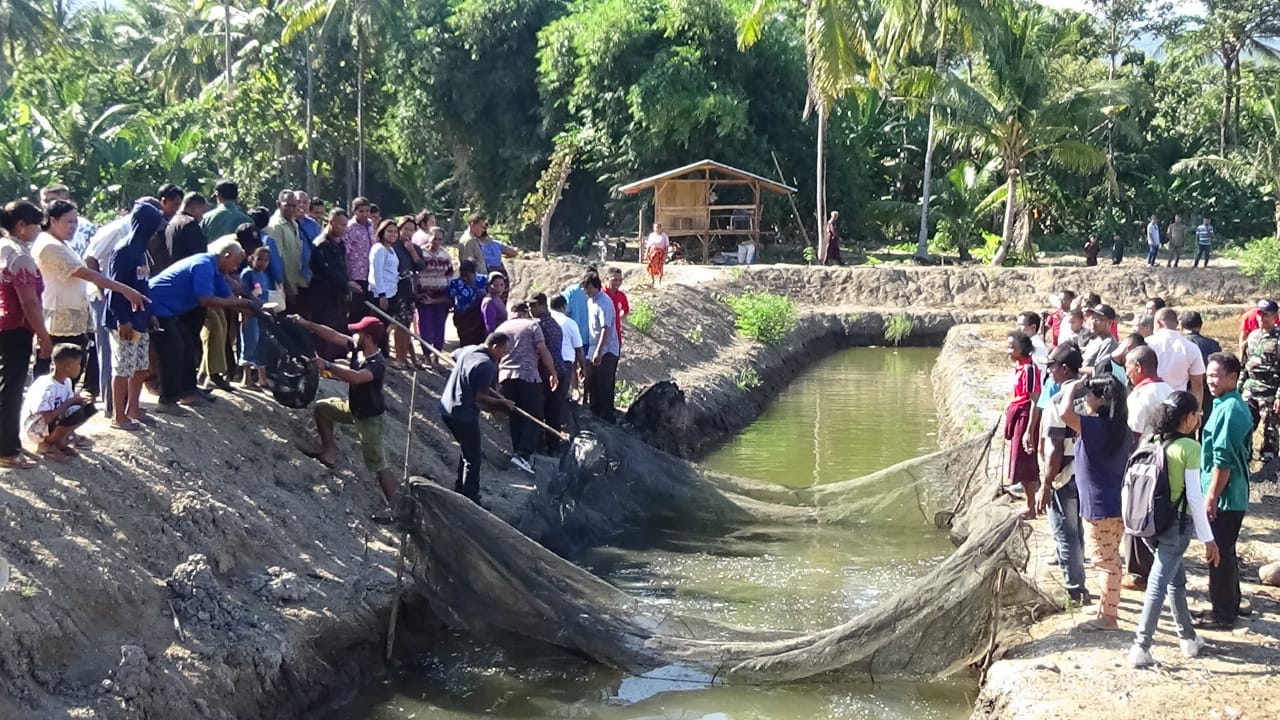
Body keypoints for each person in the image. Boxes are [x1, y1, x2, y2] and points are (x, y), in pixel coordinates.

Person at [1128, 391, 1218, 668]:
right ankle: (1141, 646)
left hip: (1148, 524)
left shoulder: (1149, 440)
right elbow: (1194, 497)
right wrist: (1208, 539)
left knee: (1175, 582)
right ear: (1188, 417)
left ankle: (1188, 638)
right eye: (1197, 414)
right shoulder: (1190, 448)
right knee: (1158, 585)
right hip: (1176, 527)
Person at [30, 199, 146, 383]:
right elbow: (88, 274)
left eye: (76, 221)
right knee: (57, 373)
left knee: (69, 372)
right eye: (69, 221)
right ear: (53, 220)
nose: (74, 226)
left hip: (70, 314)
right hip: (59, 318)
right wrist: (125, 290)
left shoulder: (59, 242)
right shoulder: (49, 245)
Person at [295, 315, 398, 509]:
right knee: (323, 409)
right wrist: (305, 323)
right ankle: (329, 453)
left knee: (379, 466)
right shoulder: (358, 349)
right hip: (353, 408)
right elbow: (333, 335)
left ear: (368, 337)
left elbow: (357, 377)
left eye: (359, 332)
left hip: (369, 419)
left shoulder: (377, 363)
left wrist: (328, 365)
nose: (354, 335)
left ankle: (396, 507)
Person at [1058, 372, 1132, 630]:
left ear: (1102, 400)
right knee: (1111, 557)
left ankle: (1108, 617)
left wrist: (1072, 387)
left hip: (1099, 507)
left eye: (1089, 395)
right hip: (1116, 503)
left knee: (1105, 562)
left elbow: (1064, 413)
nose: (1085, 399)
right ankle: (1106, 609)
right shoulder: (1121, 429)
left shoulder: (1095, 426)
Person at [148, 239, 255, 411]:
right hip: (157, 305)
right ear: (226, 255)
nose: (235, 268)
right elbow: (205, 299)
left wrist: (251, 307)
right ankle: (167, 400)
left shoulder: (217, 269)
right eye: (235, 263)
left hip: (173, 310)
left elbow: (228, 298)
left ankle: (188, 392)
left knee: (188, 345)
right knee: (173, 349)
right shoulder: (203, 264)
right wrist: (241, 304)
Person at [1196, 352, 1252, 630]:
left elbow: (1223, 460)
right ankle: (1232, 604)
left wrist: (1212, 496)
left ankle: (1222, 614)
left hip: (1226, 496)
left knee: (1217, 553)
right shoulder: (1225, 403)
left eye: (1217, 376)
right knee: (1226, 552)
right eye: (1209, 376)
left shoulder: (1230, 409)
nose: (1211, 381)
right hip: (1229, 493)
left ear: (1233, 377)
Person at [0, 200, 54, 469]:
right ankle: (7, 450)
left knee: (7, 385)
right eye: (35, 225)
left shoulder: (4, 247)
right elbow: (29, 302)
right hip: (16, 328)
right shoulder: (19, 256)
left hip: (4, 325)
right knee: (11, 388)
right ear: (21, 225)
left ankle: (10, 441)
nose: (38, 231)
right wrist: (43, 335)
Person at [104, 201, 163, 430]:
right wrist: (122, 319)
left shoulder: (143, 251)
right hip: (124, 321)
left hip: (141, 319)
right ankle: (118, 416)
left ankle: (134, 409)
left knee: (140, 366)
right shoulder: (124, 250)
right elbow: (114, 288)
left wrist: (150, 314)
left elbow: (144, 285)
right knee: (123, 368)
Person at [1036, 342, 1087, 604]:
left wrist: (1046, 483)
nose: (1049, 371)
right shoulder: (1091, 395)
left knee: (1065, 532)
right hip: (1085, 472)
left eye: (1052, 366)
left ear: (1065, 369)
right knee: (1076, 528)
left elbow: (1055, 447)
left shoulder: (1058, 402)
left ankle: (1074, 590)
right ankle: (1079, 582)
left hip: (1063, 475)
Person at [440, 332, 515, 504]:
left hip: (447, 409)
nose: (505, 355)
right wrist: (502, 403)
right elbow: (480, 398)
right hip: (463, 414)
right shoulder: (487, 365)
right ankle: (470, 498)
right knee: (473, 458)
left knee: (467, 450)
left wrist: (467, 372)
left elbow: (454, 354)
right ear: (494, 347)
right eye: (504, 351)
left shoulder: (468, 350)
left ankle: (460, 489)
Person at [495, 301, 559, 473]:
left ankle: (518, 452)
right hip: (527, 375)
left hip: (505, 376)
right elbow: (543, 350)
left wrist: (495, 380)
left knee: (515, 414)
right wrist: (553, 373)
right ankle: (523, 455)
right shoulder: (532, 325)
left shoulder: (502, 327)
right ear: (525, 313)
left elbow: (493, 353)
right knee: (535, 416)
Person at [21, 343, 96, 459]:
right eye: (78, 364)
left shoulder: (67, 381)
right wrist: (72, 400)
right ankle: (45, 445)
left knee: (85, 409)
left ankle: (58, 441)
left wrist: (79, 399)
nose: (81, 368)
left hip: (49, 423)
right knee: (74, 412)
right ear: (68, 367)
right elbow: (45, 417)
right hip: (35, 428)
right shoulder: (47, 386)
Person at [307, 209, 354, 361]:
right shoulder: (321, 244)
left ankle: (332, 361)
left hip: (337, 295)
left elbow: (342, 268)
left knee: (337, 327)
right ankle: (322, 363)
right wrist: (347, 283)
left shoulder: (339, 244)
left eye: (346, 225)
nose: (344, 228)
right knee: (323, 330)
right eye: (341, 225)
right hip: (323, 294)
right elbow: (328, 271)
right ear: (331, 223)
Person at [1006, 331, 1042, 518]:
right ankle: (1029, 502)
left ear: (1022, 349)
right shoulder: (1018, 368)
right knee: (1019, 459)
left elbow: (1035, 401)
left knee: (1027, 461)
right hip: (1017, 415)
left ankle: (1031, 506)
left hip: (1026, 417)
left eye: (1011, 347)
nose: (1008, 351)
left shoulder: (1029, 370)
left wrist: (1029, 430)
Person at [1240, 299, 1280, 461]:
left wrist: (1279, 396)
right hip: (1250, 388)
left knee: (1270, 429)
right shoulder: (1253, 336)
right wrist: (1238, 388)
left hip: (1270, 390)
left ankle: (1269, 462)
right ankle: (1245, 456)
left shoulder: (1278, 338)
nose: (1262, 318)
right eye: (1259, 314)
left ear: (1275, 316)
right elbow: (1245, 364)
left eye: (1266, 314)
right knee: (1244, 425)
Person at [530, 293, 568, 451]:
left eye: (534, 305)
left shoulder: (538, 325)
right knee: (553, 410)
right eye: (530, 306)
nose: (531, 309)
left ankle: (539, 445)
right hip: (559, 370)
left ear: (544, 306)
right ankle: (553, 445)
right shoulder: (554, 323)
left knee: (539, 409)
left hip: (546, 372)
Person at [1148, 307, 1206, 409]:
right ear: (1177, 324)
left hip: (1150, 400)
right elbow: (1197, 384)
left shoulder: (1147, 344)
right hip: (1177, 404)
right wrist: (1197, 411)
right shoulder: (1190, 347)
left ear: (1158, 323)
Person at [413, 226, 452, 364]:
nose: (437, 242)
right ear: (428, 237)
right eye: (434, 238)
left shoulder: (446, 255)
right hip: (424, 293)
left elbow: (449, 274)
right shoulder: (420, 253)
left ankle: (437, 356)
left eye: (440, 239)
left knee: (439, 325)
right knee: (425, 325)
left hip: (441, 294)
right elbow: (415, 272)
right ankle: (427, 355)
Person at [266, 190, 309, 314]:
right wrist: (286, 286)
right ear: (278, 204)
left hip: (297, 284)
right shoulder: (276, 226)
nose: (292, 209)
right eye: (288, 205)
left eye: (294, 205)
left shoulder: (294, 223)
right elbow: (276, 259)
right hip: (284, 288)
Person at [390, 216, 424, 369]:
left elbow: (421, 266)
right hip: (396, 290)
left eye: (411, 230)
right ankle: (399, 357)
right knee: (398, 325)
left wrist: (412, 251)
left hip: (410, 291)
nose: (408, 233)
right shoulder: (393, 246)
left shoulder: (414, 248)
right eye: (405, 229)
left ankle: (404, 357)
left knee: (406, 325)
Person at [584, 275, 619, 421]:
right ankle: (595, 410)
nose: (586, 291)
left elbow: (606, 328)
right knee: (592, 380)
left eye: (589, 288)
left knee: (605, 382)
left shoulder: (605, 302)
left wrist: (599, 351)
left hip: (607, 348)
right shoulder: (590, 301)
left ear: (597, 287)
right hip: (594, 345)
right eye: (585, 288)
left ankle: (607, 415)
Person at [367, 219, 402, 361]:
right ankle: (376, 355)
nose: (393, 234)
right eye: (389, 231)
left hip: (392, 291)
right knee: (378, 326)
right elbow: (377, 273)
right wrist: (382, 295)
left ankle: (384, 355)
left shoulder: (391, 249)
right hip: (380, 294)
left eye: (395, 232)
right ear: (382, 232)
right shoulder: (379, 249)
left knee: (387, 326)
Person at [237, 247, 271, 389]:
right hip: (250, 314)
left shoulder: (263, 275)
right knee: (249, 343)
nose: (262, 263)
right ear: (252, 259)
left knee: (261, 343)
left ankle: (262, 378)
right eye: (259, 259)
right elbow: (243, 294)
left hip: (262, 313)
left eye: (266, 260)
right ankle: (246, 378)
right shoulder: (247, 274)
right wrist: (243, 313)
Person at [1126, 347, 1174, 438]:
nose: (1127, 373)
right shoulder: (1170, 391)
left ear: (1138, 367)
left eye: (1127, 367)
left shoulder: (1138, 396)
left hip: (1145, 445)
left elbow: (1134, 434)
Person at [549, 294, 585, 410]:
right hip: (565, 362)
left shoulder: (545, 321)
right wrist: (583, 367)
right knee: (560, 395)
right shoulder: (569, 323)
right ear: (564, 306)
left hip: (546, 361)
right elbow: (578, 348)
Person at [343, 197, 374, 323]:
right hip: (356, 275)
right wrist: (348, 278)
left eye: (367, 211)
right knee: (355, 310)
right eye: (361, 211)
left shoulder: (370, 224)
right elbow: (345, 253)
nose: (365, 214)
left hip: (370, 274)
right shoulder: (350, 228)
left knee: (367, 310)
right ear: (354, 211)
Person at [159, 192, 208, 271]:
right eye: (202, 212)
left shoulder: (172, 223)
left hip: (173, 270)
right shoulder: (190, 224)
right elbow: (200, 255)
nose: (202, 217)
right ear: (194, 208)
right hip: (188, 271)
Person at [448, 260, 489, 346]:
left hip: (478, 317)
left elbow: (491, 295)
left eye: (467, 275)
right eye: (462, 275)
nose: (465, 278)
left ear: (474, 272)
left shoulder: (484, 280)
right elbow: (449, 297)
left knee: (479, 341)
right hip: (462, 318)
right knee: (465, 342)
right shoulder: (455, 283)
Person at [1081, 304, 1119, 378]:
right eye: (1093, 318)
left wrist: (1076, 369)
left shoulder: (1109, 343)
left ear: (1109, 322)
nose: (1093, 322)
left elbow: (1100, 370)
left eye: (1097, 319)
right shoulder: (1096, 338)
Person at [604, 267, 630, 348]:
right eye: (614, 280)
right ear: (607, 279)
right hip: (600, 336)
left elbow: (626, 310)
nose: (618, 283)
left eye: (620, 280)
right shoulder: (601, 295)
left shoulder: (621, 296)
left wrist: (617, 319)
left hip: (615, 337)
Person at [644, 223, 670, 287]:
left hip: (660, 253)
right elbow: (648, 246)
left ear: (661, 228)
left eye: (658, 228)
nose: (657, 229)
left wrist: (666, 254)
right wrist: (646, 254)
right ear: (653, 228)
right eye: (656, 228)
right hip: (652, 253)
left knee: (660, 267)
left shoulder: (664, 236)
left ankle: (659, 281)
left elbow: (666, 246)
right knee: (651, 266)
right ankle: (652, 281)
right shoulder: (651, 235)